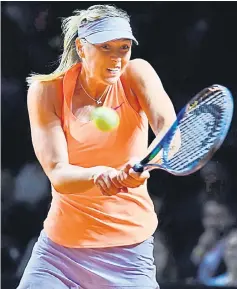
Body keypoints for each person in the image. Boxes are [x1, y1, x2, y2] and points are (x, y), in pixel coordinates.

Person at [17, 4, 179, 289]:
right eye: (106, 47)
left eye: (124, 48)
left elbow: (170, 133)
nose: (117, 58)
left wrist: (148, 160)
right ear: (81, 48)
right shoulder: (46, 91)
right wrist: (101, 175)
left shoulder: (137, 74)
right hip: (59, 254)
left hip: (128, 255)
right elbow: (58, 174)